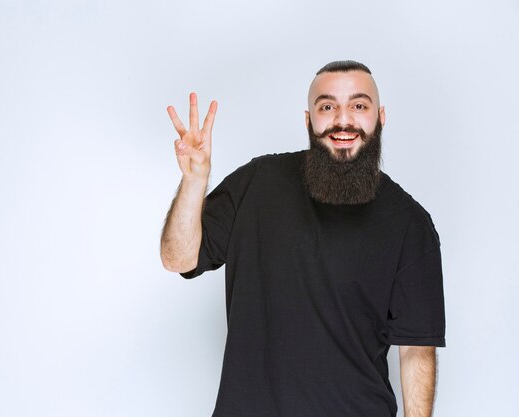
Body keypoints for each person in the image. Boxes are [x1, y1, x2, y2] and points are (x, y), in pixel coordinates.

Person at [160, 60, 446, 417]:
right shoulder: (258, 183)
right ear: (309, 120)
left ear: (380, 117)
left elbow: (416, 350)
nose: (343, 120)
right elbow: (179, 258)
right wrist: (194, 181)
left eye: (359, 105)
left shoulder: (410, 224)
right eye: (327, 107)